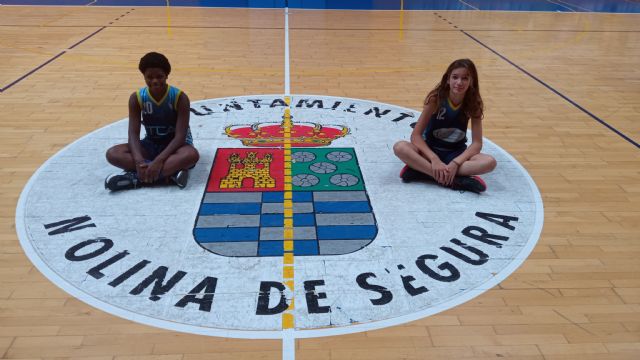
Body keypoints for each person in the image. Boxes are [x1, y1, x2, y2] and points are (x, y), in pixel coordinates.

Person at [393, 58, 496, 193]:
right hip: (430, 151)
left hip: (455, 152)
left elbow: (477, 143)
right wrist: (434, 159)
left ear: (472, 82)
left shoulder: (474, 103)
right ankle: (453, 179)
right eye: (455, 77)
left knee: (490, 162)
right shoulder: (436, 99)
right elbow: (416, 136)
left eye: (465, 78)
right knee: (400, 147)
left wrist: (456, 163)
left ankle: (423, 171)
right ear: (448, 79)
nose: (459, 82)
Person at [105, 52, 199, 191]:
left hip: (176, 147)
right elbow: (133, 133)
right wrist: (139, 161)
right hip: (151, 144)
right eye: (149, 77)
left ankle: (135, 178)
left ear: (167, 75)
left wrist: (159, 161)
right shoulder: (136, 98)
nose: (155, 81)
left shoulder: (180, 97)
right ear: (143, 76)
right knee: (113, 153)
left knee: (191, 155)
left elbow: (180, 137)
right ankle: (169, 175)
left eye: (159, 76)